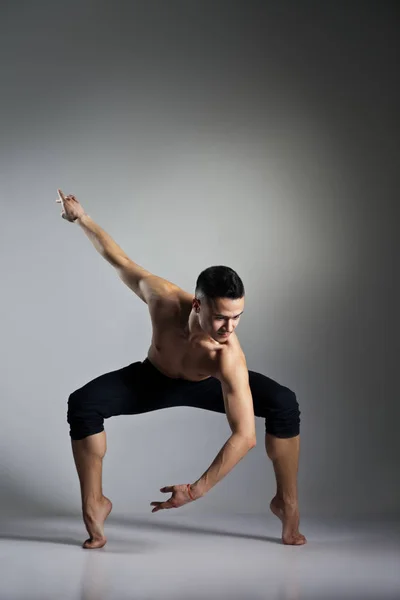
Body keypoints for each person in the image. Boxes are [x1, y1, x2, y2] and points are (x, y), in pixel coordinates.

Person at [56, 189, 306, 549]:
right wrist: (82, 218)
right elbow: (118, 260)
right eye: (221, 317)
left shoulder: (227, 356)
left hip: (207, 383)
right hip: (152, 378)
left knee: (283, 402)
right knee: (83, 403)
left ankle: (287, 502)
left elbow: (244, 436)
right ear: (196, 304)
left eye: (237, 318)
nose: (229, 328)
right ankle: (94, 502)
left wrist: (195, 490)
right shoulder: (162, 298)